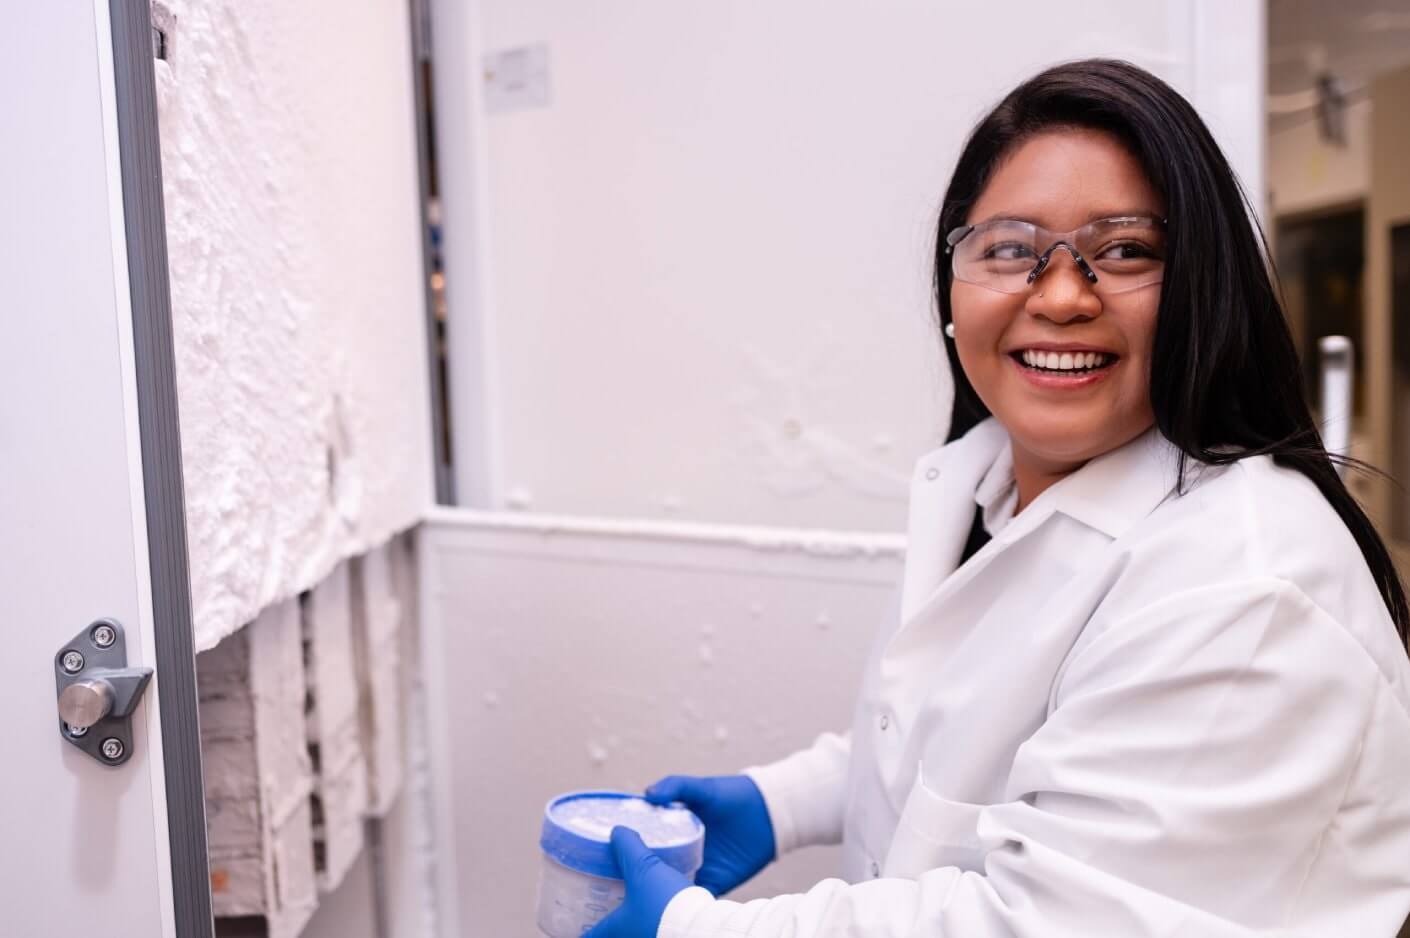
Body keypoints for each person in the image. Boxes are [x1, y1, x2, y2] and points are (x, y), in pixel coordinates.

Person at [585, 59, 1410, 937]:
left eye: (1125, 249)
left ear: (1201, 291)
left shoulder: (1243, 587)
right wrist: (785, 803)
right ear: (954, 285)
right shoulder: (991, 486)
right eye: (1011, 249)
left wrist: (691, 931)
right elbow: (960, 743)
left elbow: (1049, 923)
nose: (1059, 296)